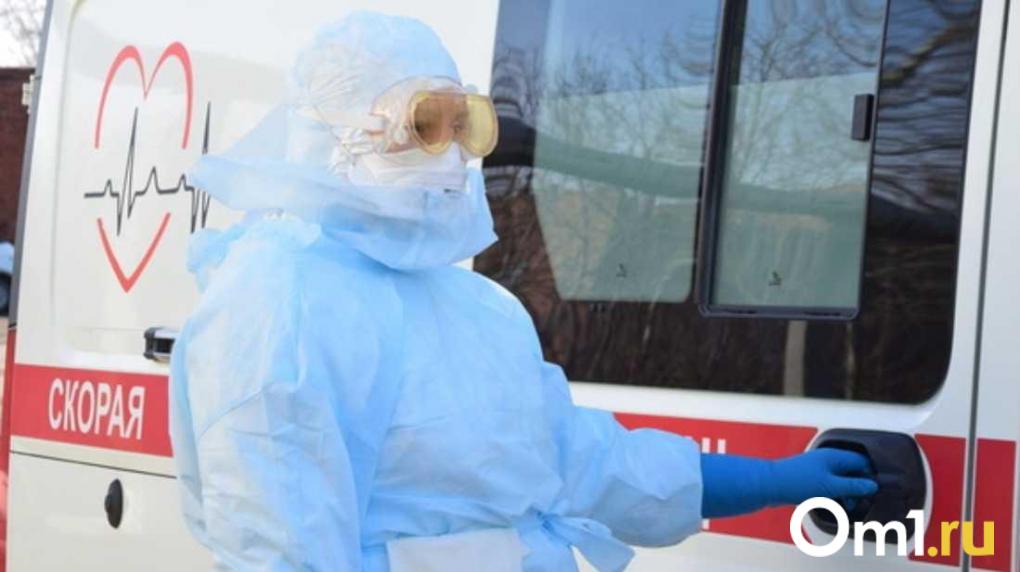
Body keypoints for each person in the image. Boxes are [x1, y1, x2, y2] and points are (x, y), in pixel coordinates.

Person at [169, 11, 877, 572]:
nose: (451, 150)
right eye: (425, 123)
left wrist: (776, 480)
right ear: (339, 132)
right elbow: (281, 547)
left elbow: (581, 463)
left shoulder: (475, 309)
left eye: (463, 125)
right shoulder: (277, 303)